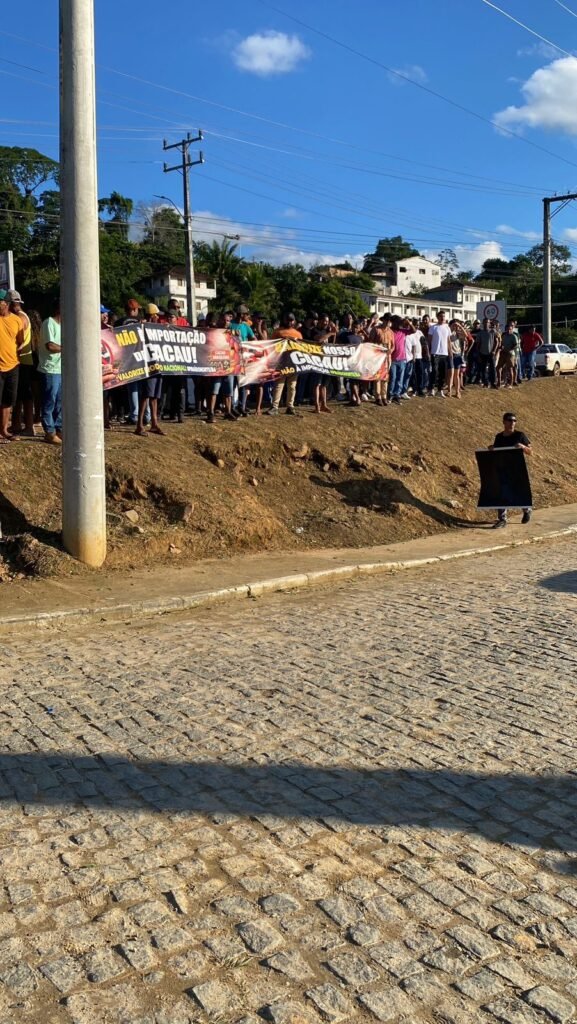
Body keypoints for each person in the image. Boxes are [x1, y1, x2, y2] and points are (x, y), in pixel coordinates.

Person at [489, 412, 533, 528]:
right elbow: (497, 451)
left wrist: (523, 447)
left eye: (514, 420)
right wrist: (492, 448)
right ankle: (502, 519)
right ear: (504, 422)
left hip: (517, 468)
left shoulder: (520, 435)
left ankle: (527, 510)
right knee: (502, 492)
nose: (512, 423)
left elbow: (530, 451)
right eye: (509, 420)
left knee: (519, 491)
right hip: (503, 468)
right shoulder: (499, 437)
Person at [8, 290, 35, 436]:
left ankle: (29, 426)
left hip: (22, 360)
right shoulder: (21, 316)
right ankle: (17, 424)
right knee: (19, 395)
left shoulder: (20, 317)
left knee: (25, 394)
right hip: (22, 360)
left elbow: (19, 340)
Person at [267, 313, 302, 416]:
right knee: (279, 385)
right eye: (288, 320)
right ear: (284, 320)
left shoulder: (297, 334)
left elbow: (302, 347)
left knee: (292, 386)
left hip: (294, 363)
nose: (290, 322)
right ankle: (274, 407)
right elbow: (271, 344)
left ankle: (290, 406)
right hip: (281, 362)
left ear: (294, 321)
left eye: (291, 320)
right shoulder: (278, 332)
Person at [0, 291, 24, 442]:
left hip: (13, 365)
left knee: (8, 400)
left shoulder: (17, 320)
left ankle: (4, 430)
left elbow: (20, 341)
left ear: (6, 303)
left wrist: (15, 354)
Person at [39, 304, 62, 444]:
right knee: (50, 401)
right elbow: (50, 346)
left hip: (61, 369)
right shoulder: (49, 323)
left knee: (59, 402)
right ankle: (49, 431)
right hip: (49, 369)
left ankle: (59, 429)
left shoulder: (64, 326)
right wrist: (67, 348)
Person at [369, 315, 392, 406]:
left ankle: (384, 396)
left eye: (389, 321)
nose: (387, 322)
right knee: (378, 376)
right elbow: (371, 343)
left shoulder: (390, 331)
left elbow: (393, 345)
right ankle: (378, 397)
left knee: (385, 377)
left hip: (386, 357)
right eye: (386, 320)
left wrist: (390, 350)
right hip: (377, 356)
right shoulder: (376, 329)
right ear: (383, 320)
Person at [427, 310, 451, 397]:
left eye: (443, 316)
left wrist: (450, 352)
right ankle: (432, 389)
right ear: (437, 317)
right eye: (440, 316)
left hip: (444, 354)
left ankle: (440, 390)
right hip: (435, 353)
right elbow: (429, 341)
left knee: (442, 373)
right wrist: (428, 352)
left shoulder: (447, 328)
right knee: (434, 371)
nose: (442, 318)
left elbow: (448, 341)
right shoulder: (433, 328)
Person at [476, 318, 499, 388]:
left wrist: (494, 351)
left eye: (487, 322)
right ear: (483, 323)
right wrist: (478, 354)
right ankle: (485, 383)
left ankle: (493, 383)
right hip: (482, 353)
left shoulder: (493, 331)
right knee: (483, 369)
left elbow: (497, 342)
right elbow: (478, 344)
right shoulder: (480, 333)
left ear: (489, 323)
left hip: (491, 353)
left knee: (492, 369)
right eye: (485, 322)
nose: (486, 324)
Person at [498, 322, 521, 388]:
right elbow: (502, 343)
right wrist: (501, 347)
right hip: (504, 353)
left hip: (511, 354)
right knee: (499, 367)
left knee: (511, 368)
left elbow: (516, 345)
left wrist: (510, 349)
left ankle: (511, 383)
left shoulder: (514, 336)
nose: (508, 330)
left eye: (510, 329)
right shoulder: (503, 335)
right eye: (507, 329)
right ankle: (500, 382)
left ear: (512, 329)